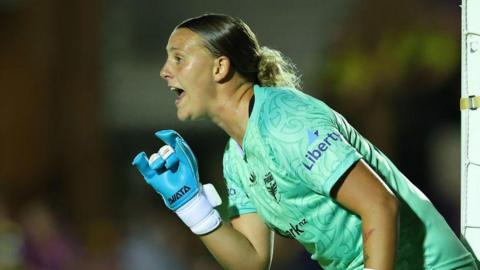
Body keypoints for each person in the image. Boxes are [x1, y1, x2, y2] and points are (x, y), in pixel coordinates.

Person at [132, 14, 478, 270]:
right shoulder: (236, 156)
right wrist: (191, 205)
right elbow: (252, 260)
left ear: (220, 67)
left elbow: (379, 204)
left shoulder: (285, 120)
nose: (165, 70)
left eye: (178, 58)